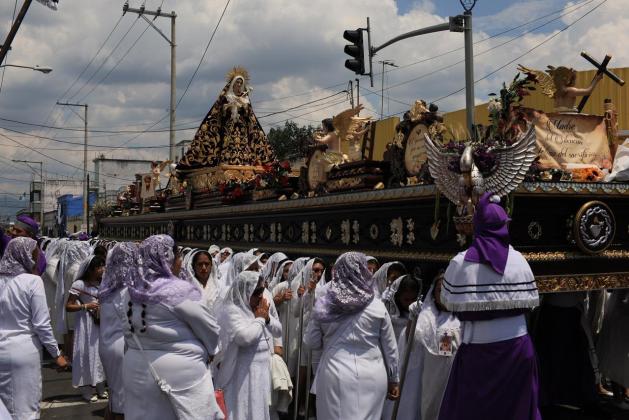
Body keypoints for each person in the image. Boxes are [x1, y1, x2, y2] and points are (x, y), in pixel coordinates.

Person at [438, 193, 541, 420]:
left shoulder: (460, 262)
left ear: (477, 226)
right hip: (516, 350)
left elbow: (448, 304)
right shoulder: (520, 261)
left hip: (480, 353)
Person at [124, 235, 223, 420]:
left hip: (136, 367)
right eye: (178, 257)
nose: (180, 262)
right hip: (178, 376)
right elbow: (210, 328)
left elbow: (126, 328)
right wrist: (210, 351)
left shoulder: (131, 290)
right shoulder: (177, 291)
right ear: (167, 259)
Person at [304, 252, 400, 420]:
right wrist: (394, 379)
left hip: (335, 373)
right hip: (373, 375)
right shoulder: (377, 306)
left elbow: (311, 341)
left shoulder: (324, 305)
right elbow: (390, 347)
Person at [0, 237, 68, 419]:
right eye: (35, 254)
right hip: (23, 351)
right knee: (25, 410)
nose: (37, 259)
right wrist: (56, 354)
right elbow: (42, 325)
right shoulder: (32, 281)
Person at [215, 270, 283, 420]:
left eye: (262, 291)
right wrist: (259, 319)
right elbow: (244, 338)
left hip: (261, 370)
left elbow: (278, 331)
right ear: (245, 290)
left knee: (258, 409)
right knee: (242, 409)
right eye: (257, 291)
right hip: (241, 372)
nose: (261, 295)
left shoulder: (258, 307)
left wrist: (267, 319)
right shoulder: (232, 310)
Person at [177, 67, 275, 170]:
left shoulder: (245, 98)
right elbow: (220, 112)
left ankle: (244, 161)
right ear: (233, 83)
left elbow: (249, 115)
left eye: (241, 83)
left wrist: (244, 106)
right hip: (229, 126)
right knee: (228, 143)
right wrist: (229, 106)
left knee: (243, 145)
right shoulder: (227, 96)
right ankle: (226, 160)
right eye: (237, 82)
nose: (239, 85)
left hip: (242, 127)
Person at [99, 242, 138, 420]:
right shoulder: (125, 290)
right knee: (123, 403)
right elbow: (130, 323)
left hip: (108, 345)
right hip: (123, 347)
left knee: (115, 397)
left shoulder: (108, 286)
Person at [65, 255, 107, 402]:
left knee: (100, 353)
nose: (102, 269)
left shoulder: (104, 283)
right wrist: (85, 306)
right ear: (90, 269)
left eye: (103, 266)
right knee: (86, 353)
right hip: (85, 322)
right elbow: (69, 306)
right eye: (99, 267)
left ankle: (101, 387)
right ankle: (86, 390)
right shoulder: (79, 284)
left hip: (100, 322)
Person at [597, 289, 629, 408]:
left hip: (621, 315)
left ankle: (621, 395)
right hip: (621, 318)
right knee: (618, 357)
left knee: (620, 358)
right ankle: (618, 397)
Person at [381, 274, 421, 339]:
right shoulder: (388, 316)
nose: (410, 303)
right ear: (397, 297)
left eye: (413, 299)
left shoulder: (419, 315)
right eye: (406, 300)